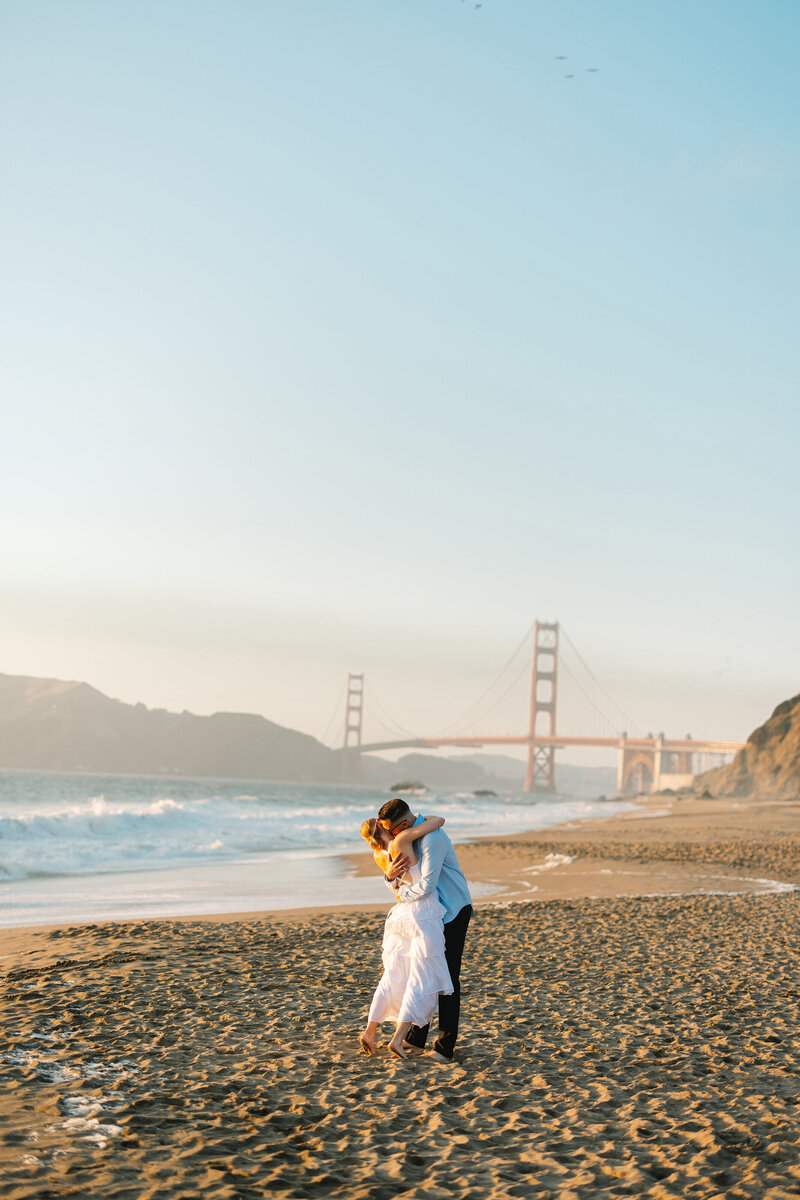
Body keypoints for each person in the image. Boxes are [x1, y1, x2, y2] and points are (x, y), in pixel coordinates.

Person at [378, 796, 472, 1063]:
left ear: (405, 823)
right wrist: (389, 878)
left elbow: (427, 885)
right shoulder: (407, 838)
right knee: (421, 972)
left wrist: (402, 893)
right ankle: (416, 1039)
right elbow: (397, 881)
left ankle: (445, 1047)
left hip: (452, 910)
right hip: (427, 915)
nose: (390, 836)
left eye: (392, 830)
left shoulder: (433, 838)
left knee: (448, 977)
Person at [359, 814, 453, 1060]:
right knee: (422, 978)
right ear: (382, 825)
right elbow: (438, 821)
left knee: (394, 975)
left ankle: (370, 1032)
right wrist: (417, 817)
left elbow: (394, 884)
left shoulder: (379, 855)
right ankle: (398, 1040)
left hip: (400, 916)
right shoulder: (400, 841)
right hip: (422, 913)